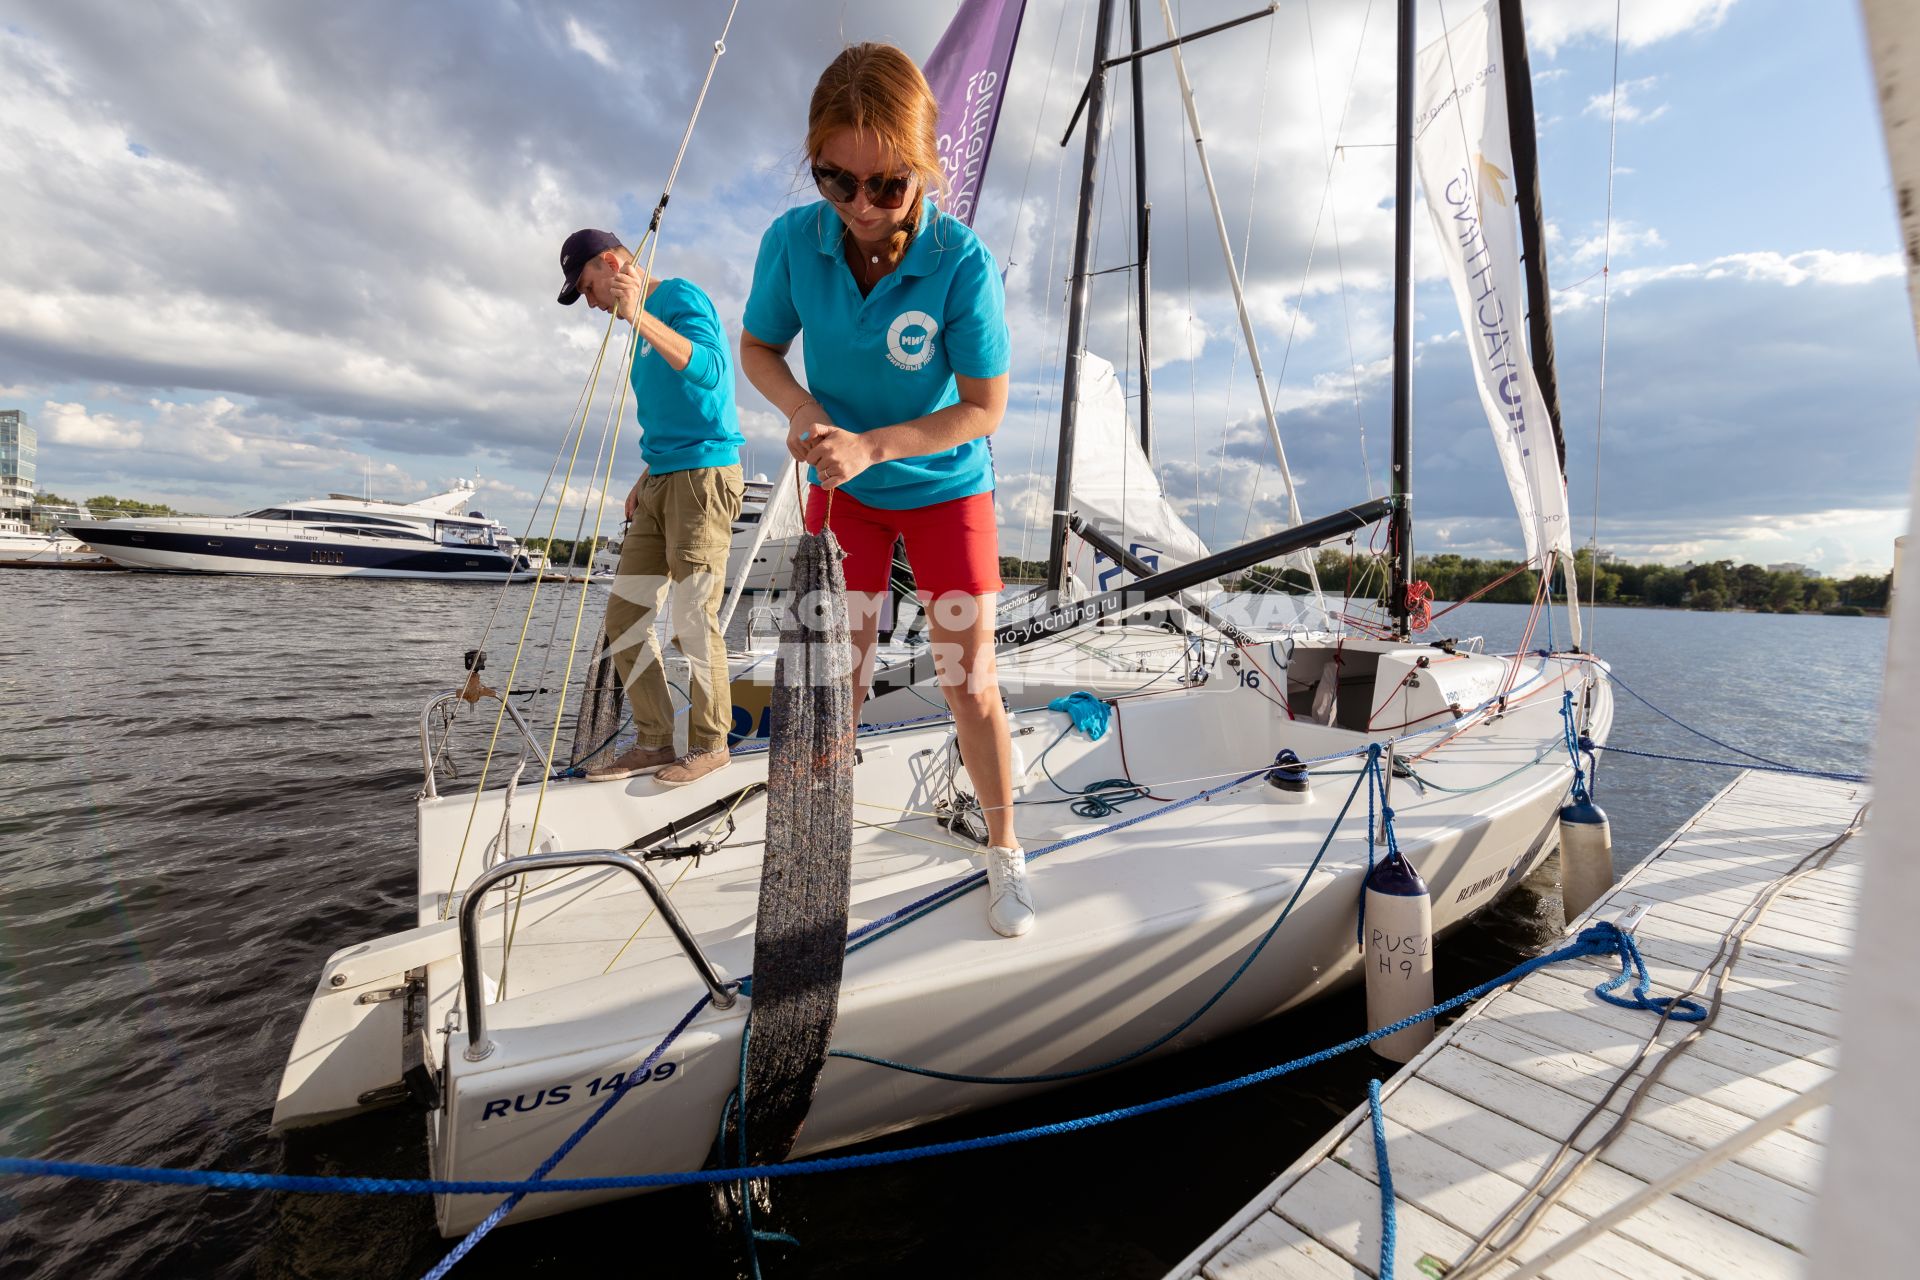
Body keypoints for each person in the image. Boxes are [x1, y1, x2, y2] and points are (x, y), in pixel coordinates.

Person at [740, 43, 1034, 937]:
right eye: (837, 182)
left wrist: (877, 445)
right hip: (844, 483)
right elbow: (759, 349)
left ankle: (1005, 849)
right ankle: (818, 853)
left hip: (944, 485)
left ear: (923, 167)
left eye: (887, 186)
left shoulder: (961, 262)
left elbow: (984, 408)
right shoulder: (794, 242)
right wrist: (798, 410)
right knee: (836, 679)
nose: (862, 208)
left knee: (966, 679)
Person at [555, 228, 745, 787]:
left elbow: (709, 373)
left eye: (588, 287)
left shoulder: (679, 298)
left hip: (704, 476)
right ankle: (656, 739)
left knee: (691, 613)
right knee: (626, 614)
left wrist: (639, 314)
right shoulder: (641, 327)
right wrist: (645, 474)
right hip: (663, 478)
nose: (589, 302)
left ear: (613, 263)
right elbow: (676, 411)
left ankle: (712, 743)